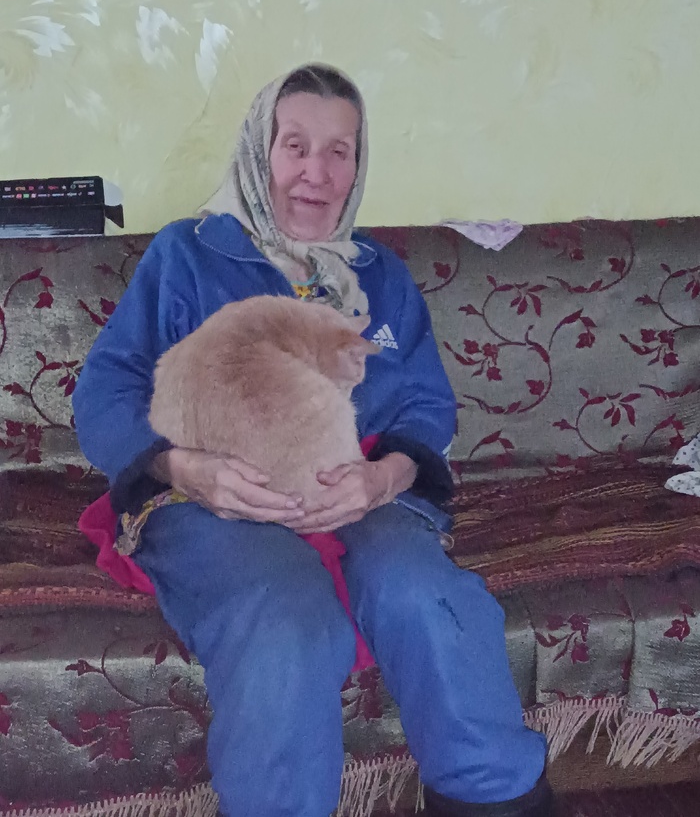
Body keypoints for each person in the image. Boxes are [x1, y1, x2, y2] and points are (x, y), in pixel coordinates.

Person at [73, 64, 552, 817]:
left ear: (359, 166)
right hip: (215, 493)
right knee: (285, 622)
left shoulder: (382, 277)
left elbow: (426, 405)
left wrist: (386, 477)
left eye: (339, 151)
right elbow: (105, 393)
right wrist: (185, 468)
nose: (316, 174)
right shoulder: (185, 256)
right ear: (259, 153)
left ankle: (494, 799)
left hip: (356, 488)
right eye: (295, 146)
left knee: (428, 597)